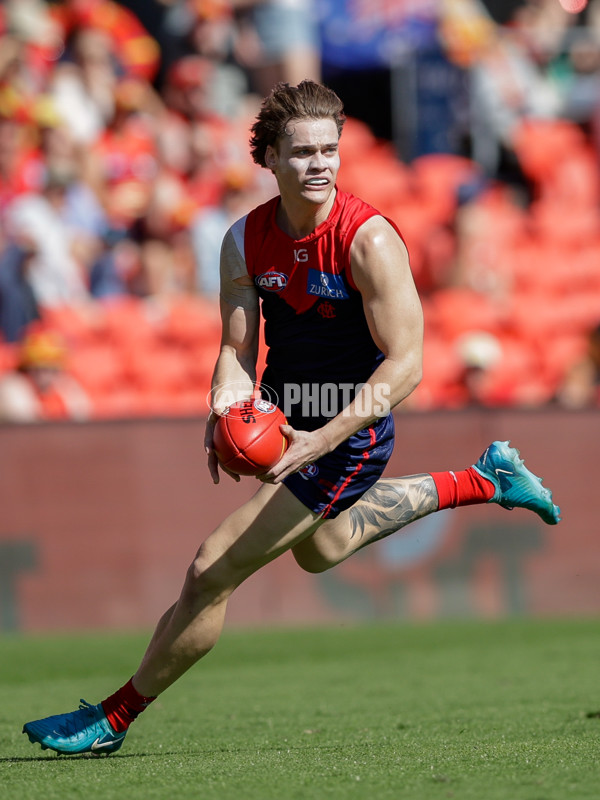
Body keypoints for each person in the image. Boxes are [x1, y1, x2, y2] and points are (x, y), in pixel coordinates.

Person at [22, 80, 561, 755]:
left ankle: (112, 719)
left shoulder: (368, 241)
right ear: (269, 158)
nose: (320, 165)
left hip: (348, 432)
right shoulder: (244, 240)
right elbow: (237, 349)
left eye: (330, 151)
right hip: (288, 422)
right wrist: (225, 405)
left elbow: (407, 367)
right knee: (322, 549)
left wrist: (319, 441)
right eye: (302, 152)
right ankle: (485, 480)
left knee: (209, 569)